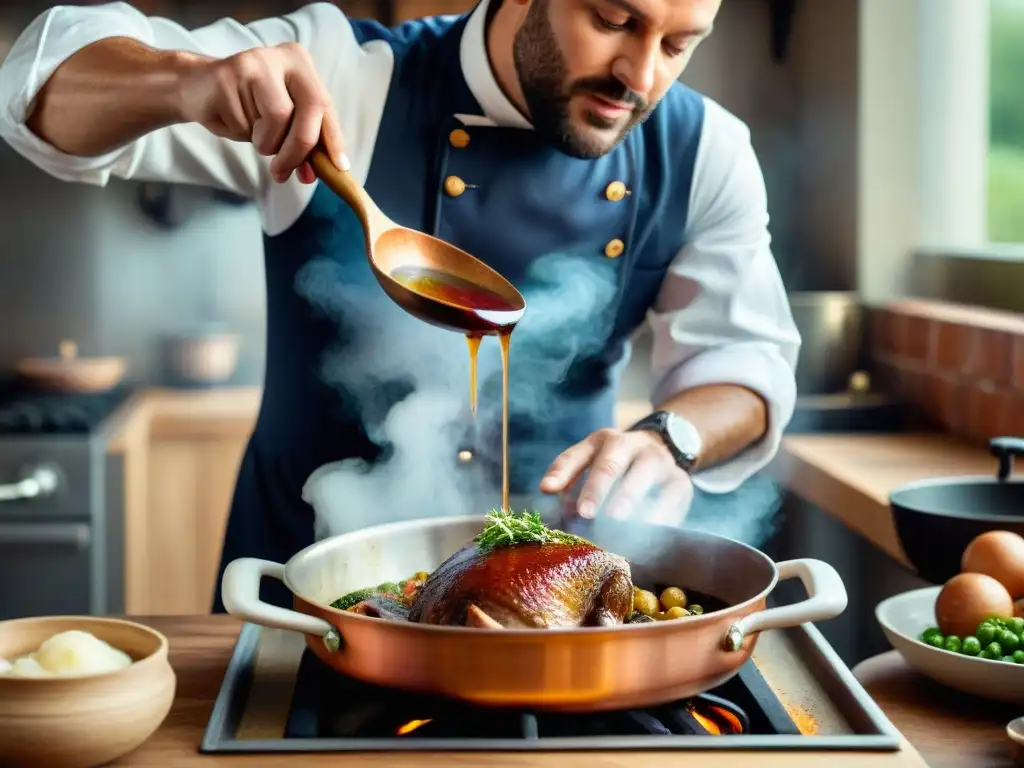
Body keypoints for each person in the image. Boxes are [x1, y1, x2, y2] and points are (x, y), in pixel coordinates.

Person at [0, 0, 801, 612]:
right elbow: (38, 86)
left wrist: (672, 438)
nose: (642, 75)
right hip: (311, 599)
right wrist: (184, 80)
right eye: (614, 20)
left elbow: (746, 366)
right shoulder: (345, 76)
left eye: (677, 43)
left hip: (559, 618)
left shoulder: (708, 151)